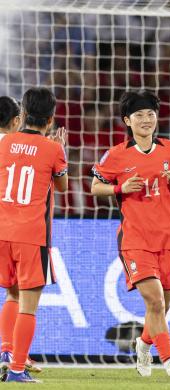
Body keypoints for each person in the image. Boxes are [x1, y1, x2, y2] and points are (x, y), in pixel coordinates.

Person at [90, 90, 170, 378]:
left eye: (151, 114)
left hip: (168, 238)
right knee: (155, 302)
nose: (147, 119)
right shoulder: (117, 154)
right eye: (139, 115)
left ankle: (144, 344)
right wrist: (120, 188)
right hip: (135, 239)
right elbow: (95, 187)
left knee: (163, 306)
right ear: (128, 120)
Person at [0, 88, 68, 383]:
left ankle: (5, 351)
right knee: (29, 304)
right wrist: (58, 150)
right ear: (51, 119)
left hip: (2, 232)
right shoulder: (54, 149)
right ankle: (16, 369)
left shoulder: (4, 142)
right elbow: (62, 187)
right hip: (32, 235)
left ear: (24, 115)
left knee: (11, 293)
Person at [0, 95, 44, 376]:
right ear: (17, 120)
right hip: (20, 228)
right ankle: (16, 361)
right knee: (24, 296)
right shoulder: (10, 146)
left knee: (12, 291)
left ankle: (9, 351)